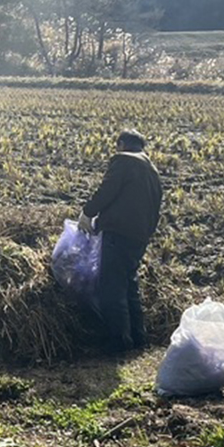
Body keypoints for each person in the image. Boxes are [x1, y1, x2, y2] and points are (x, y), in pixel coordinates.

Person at [79, 129, 163, 353]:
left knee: (112, 287)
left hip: (118, 232)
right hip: (140, 236)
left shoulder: (123, 161)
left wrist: (88, 212)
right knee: (129, 286)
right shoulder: (152, 170)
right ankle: (138, 337)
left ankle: (119, 343)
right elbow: (157, 206)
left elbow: (107, 190)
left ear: (122, 144)